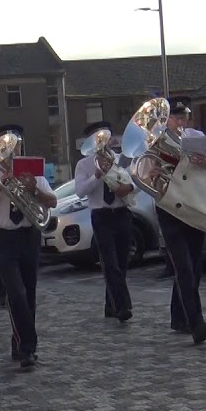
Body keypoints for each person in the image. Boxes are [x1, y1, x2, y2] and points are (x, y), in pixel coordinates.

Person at [0, 125, 58, 368]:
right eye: (5, 145)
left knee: (28, 294)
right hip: (3, 237)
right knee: (16, 294)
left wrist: (34, 189)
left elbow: (53, 201)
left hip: (29, 235)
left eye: (15, 144)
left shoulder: (31, 171)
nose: (11, 150)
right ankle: (28, 347)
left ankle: (20, 345)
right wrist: (0, 186)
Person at [154, 97, 206, 345]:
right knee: (183, 267)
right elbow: (141, 173)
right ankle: (197, 323)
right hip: (170, 208)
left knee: (194, 267)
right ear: (167, 119)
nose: (181, 122)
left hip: (194, 206)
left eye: (184, 117)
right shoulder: (154, 140)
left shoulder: (195, 137)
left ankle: (179, 317)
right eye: (176, 118)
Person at [74, 121, 136, 323]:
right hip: (101, 215)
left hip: (121, 212)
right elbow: (81, 192)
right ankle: (122, 306)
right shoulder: (84, 165)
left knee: (122, 262)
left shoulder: (120, 159)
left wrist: (126, 187)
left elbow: (133, 183)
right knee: (110, 263)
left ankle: (111, 305)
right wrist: (97, 175)